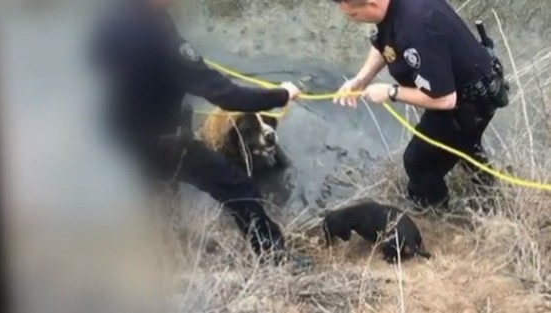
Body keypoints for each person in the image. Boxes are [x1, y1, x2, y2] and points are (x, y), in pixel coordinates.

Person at [90, 0, 302, 262]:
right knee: (239, 189)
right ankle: (274, 258)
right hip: (162, 144)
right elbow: (226, 94)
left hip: (121, 140)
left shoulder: (113, 18)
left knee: (156, 197)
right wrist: (282, 95)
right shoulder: (159, 37)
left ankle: (164, 250)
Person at [331, 0, 509, 210]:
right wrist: (360, 80)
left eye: (353, 15)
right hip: (467, 88)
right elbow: (386, 43)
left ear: (372, 4)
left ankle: (433, 213)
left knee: (418, 162)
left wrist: (390, 92)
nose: (351, 21)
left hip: (468, 103)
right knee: (465, 145)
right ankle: (490, 194)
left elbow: (445, 99)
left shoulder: (417, 28)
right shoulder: (392, 10)